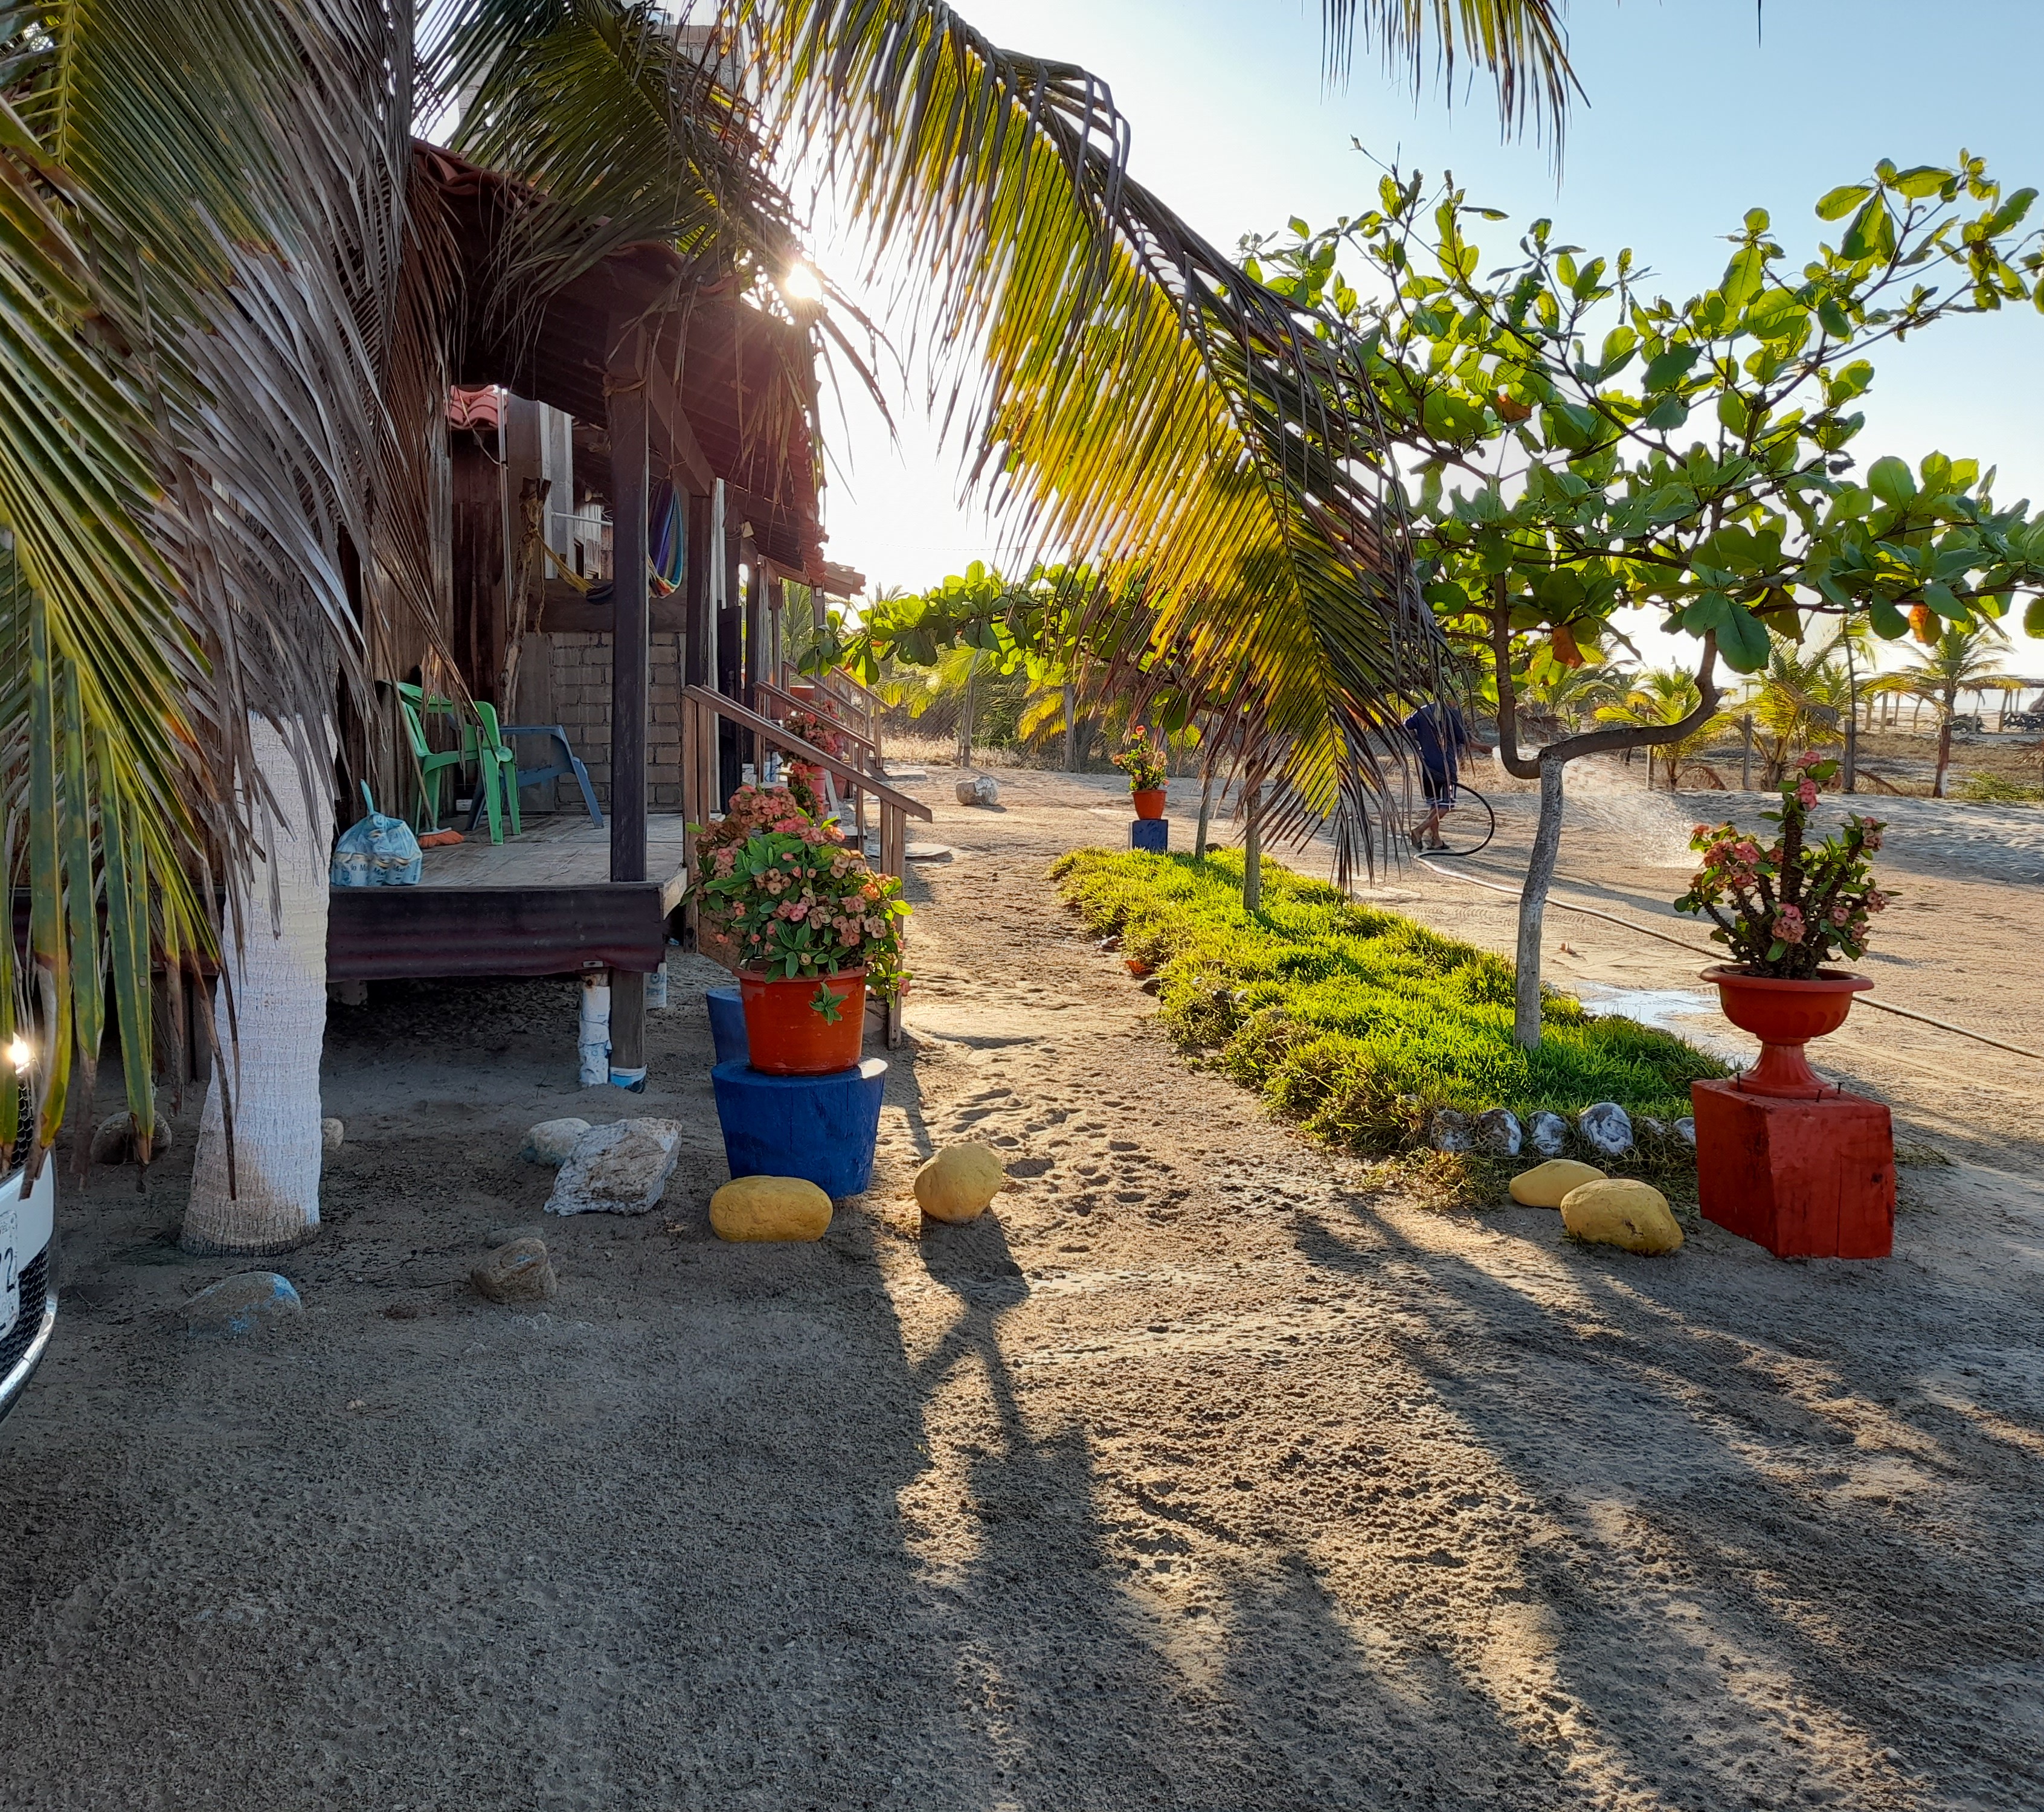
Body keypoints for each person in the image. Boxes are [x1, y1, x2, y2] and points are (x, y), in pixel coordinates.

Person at [1403, 699, 1488, 850]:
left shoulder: (1424, 711)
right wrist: (1483, 747)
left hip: (1428, 765)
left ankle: (1436, 840)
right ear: (1450, 698)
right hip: (1445, 767)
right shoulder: (1451, 714)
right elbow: (1464, 739)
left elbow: (1405, 726)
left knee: (1435, 804)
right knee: (1446, 805)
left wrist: (1419, 739)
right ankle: (1419, 830)